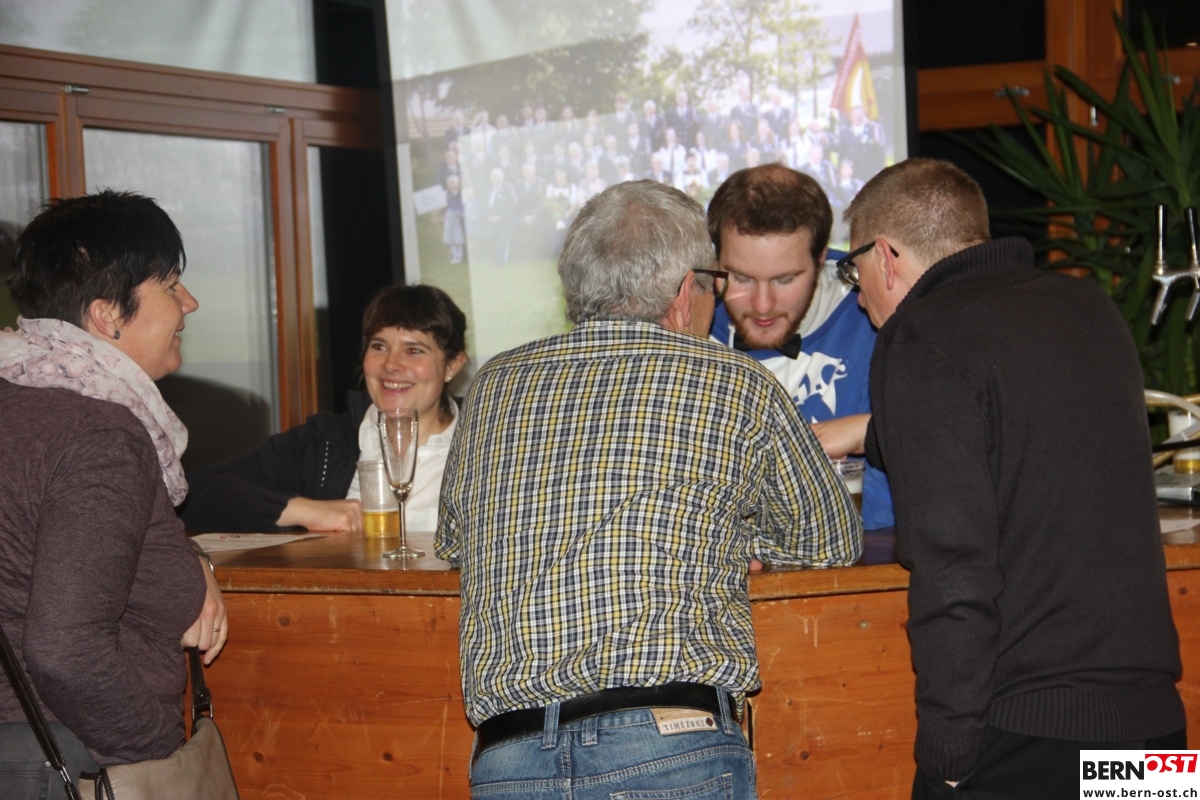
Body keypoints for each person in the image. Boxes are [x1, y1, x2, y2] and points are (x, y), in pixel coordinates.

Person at [436, 179, 862, 798]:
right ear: (687, 292)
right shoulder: (735, 381)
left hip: (510, 757)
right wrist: (731, 537)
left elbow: (455, 542)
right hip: (672, 744)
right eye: (717, 282)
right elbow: (829, 542)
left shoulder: (493, 386)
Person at [842, 158, 1186, 797]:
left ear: (885, 256)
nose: (858, 296)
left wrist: (947, 755)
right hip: (1153, 729)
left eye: (853, 271)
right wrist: (870, 433)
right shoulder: (1088, 307)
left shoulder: (923, 333)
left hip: (1025, 737)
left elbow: (954, 566)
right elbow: (1020, 440)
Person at [0, 190, 226, 794]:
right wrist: (155, 753)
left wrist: (190, 558)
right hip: (62, 761)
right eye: (170, 285)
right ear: (108, 316)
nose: (189, 303)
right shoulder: (100, 434)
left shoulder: (21, 400)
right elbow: (63, 649)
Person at [181, 284, 468, 534]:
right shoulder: (325, 440)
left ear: (453, 365)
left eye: (414, 350)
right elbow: (195, 493)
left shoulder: (484, 444)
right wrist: (301, 510)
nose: (391, 364)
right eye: (379, 346)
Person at [707, 164, 894, 533]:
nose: (762, 305)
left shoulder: (878, 316)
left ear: (821, 258)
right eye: (741, 278)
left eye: (785, 279)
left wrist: (872, 430)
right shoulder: (685, 322)